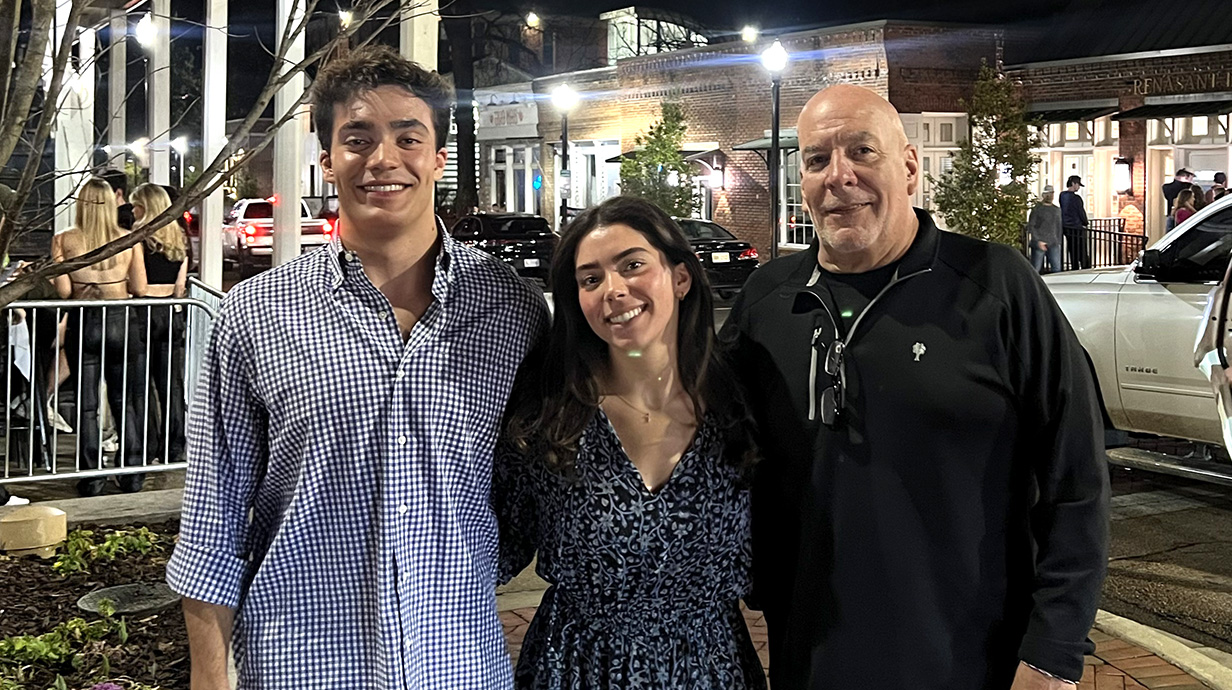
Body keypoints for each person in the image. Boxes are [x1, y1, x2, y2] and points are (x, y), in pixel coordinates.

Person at [165, 45, 549, 689]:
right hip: (300, 664)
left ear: (438, 158)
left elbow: (527, 484)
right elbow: (214, 515)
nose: (382, 159)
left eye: (407, 137)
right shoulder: (255, 315)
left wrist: (465, 559)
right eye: (358, 138)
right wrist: (210, 676)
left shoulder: (512, 310)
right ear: (327, 161)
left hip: (461, 662)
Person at [721, 84, 1109, 690]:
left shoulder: (997, 289)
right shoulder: (767, 304)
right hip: (813, 659)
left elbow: (1077, 477)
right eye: (817, 159)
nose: (838, 176)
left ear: (908, 167)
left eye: (862, 151)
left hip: (974, 661)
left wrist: (1054, 650)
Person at [495, 195, 765, 689]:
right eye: (590, 279)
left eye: (632, 265)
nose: (614, 290)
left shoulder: (740, 406)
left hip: (710, 668)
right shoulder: (549, 415)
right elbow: (487, 549)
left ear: (680, 278)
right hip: (577, 668)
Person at [51, 177, 149, 497]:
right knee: (125, 400)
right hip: (121, 320)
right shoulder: (127, 239)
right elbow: (140, 288)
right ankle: (132, 472)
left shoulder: (64, 240)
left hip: (85, 320)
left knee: (87, 402)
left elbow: (65, 291)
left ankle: (92, 476)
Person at [130, 183, 188, 463]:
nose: (132, 209)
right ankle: (175, 446)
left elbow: (138, 285)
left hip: (143, 311)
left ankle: (147, 445)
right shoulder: (179, 237)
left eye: (135, 204)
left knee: (140, 385)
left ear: (145, 206)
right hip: (170, 312)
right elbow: (180, 286)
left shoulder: (137, 238)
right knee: (171, 383)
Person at [1027, 185, 1063, 274]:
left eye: (1051, 193)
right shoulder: (1037, 209)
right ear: (1043, 195)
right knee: (1035, 269)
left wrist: (1058, 241)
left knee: (1057, 269)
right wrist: (1038, 241)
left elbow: (1059, 226)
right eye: (1048, 194)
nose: (1050, 196)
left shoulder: (1056, 210)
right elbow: (1031, 226)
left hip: (1053, 243)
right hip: (1040, 242)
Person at [1059, 175, 1090, 270]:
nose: (1078, 187)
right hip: (1077, 228)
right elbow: (1081, 213)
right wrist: (1085, 222)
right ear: (1073, 184)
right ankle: (1085, 267)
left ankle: (1074, 267)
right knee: (1082, 250)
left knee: (1072, 249)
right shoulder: (1076, 198)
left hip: (1066, 227)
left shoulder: (1062, 195)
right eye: (1078, 184)